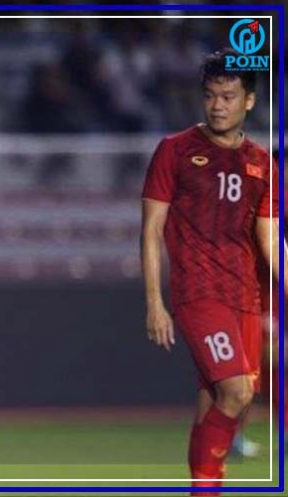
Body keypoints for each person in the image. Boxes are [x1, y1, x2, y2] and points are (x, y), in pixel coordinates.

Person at [141, 48, 285, 495]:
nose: (217, 105)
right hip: (199, 294)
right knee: (237, 391)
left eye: (228, 96)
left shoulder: (262, 164)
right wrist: (154, 302)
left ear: (249, 101)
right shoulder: (175, 150)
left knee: (218, 402)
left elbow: (270, 241)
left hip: (245, 297)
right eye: (210, 96)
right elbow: (151, 231)